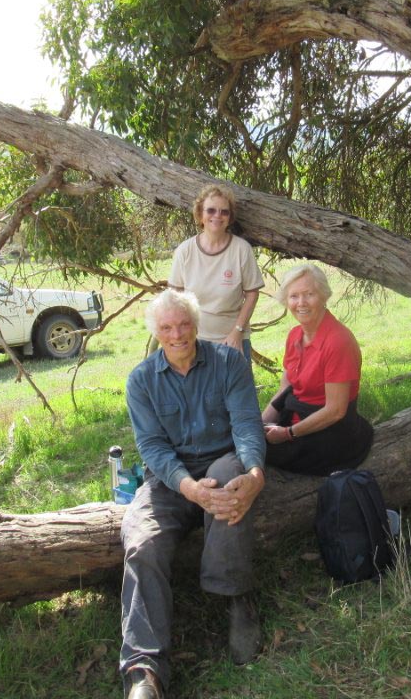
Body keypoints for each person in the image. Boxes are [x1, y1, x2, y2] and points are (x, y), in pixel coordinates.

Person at [119, 289, 266, 699]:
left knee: (229, 487)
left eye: (184, 324)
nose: (177, 334)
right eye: (167, 327)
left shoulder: (228, 362)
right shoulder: (142, 380)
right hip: (170, 479)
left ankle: (236, 597)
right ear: (156, 333)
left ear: (196, 325)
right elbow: (152, 447)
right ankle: (144, 669)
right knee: (141, 541)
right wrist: (187, 486)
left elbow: (247, 424)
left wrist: (254, 472)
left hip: (221, 464)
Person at [261, 263, 374, 475]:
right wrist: (261, 423)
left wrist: (287, 433)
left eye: (309, 294)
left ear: (323, 296)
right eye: (294, 296)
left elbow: (336, 411)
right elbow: (286, 389)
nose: (301, 303)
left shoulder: (338, 341)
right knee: (245, 442)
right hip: (297, 420)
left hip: (331, 434)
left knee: (257, 454)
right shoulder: (295, 335)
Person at [168, 185, 264, 360]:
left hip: (233, 340)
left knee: (237, 387)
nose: (217, 216)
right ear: (200, 215)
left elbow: (252, 294)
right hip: (194, 342)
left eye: (224, 212)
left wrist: (237, 333)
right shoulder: (185, 251)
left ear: (230, 218)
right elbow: (175, 297)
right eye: (211, 210)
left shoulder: (241, 249)